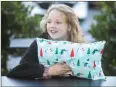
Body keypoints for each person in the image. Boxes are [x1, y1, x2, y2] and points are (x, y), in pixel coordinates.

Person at [6, 4, 87, 80]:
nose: (52, 25)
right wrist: (48, 71)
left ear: (69, 26)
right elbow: (18, 70)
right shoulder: (40, 44)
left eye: (58, 22)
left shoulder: (79, 45)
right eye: (49, 22)